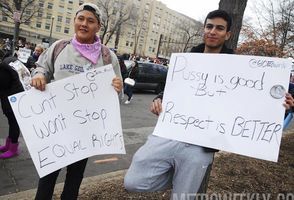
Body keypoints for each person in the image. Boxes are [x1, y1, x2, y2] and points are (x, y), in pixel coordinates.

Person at [124, 10, 294, 199]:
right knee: (133, 182)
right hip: (170, 134)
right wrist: (160, 99)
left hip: (202, 145)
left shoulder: (239, 67)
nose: (213, 31)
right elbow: (173, 89)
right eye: (209, 26)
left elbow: (250, 102)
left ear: (228, 34)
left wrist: (278, 105)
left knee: (182, 197)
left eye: (220, 28)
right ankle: (177, 178)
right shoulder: (187, 60)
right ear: (204, 29)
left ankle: (184, 180)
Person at [30, 3, 123, 200]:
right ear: (75, 21)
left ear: (98, 27)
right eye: (80, 19)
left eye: (90, 21)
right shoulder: (59, 47)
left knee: (75, 177)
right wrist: (39, 76)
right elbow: (41, 68)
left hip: (84, 129)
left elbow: (117, 91)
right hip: (56, 125)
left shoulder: (107, 56)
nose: (84, 24)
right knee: (48, 176)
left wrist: (116, 87)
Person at [0, 57, 25, 159]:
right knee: (11, 122)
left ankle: (13, 148)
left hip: (12, 99)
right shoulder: (4, 66)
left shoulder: (3, 69)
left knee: (14, 123)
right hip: (10, 98)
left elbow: (3, 85)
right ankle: (8, 145)